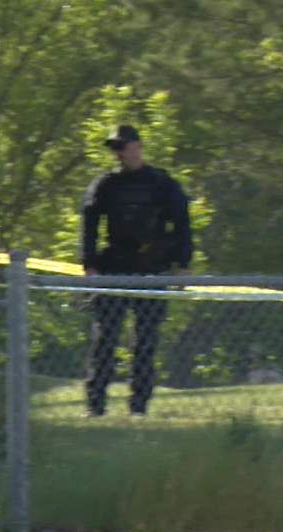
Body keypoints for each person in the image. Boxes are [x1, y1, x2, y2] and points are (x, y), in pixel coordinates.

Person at [80, 124, 193, 417]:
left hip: (151, 269)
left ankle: (139, 406)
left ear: (137, 147)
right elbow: (89, 224)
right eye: (115, 149)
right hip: (114, 269)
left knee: (146, 341)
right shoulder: (106, 185)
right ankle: (96, 405)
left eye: (122, 147)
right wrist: (89, 265)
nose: (118, 154)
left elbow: (182, 222)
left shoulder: (161, 184)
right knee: (105, 338)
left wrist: (182, 264)